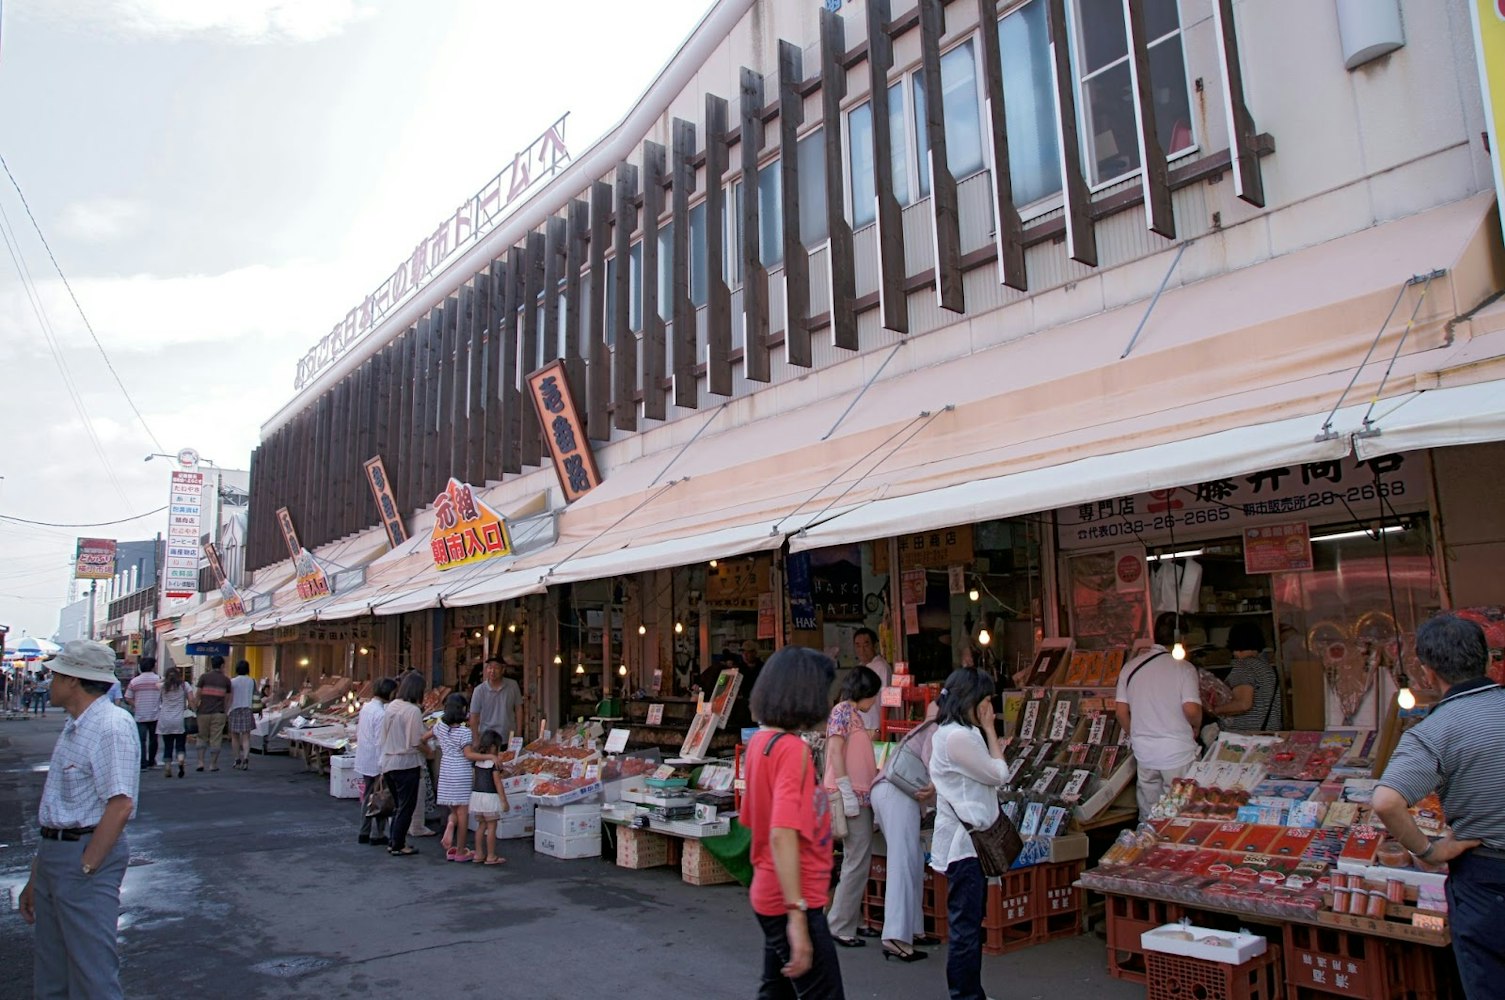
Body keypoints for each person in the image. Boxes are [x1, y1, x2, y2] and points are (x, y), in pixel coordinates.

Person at [1374, 613, 1505, 999]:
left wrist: (1428, 850)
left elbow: (1385, 800)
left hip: (1486, 878)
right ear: (1487, 662)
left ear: (1428, 674)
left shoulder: (1433, 730)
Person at [18, 640, 140, 1000]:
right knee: (53, 969)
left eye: (56, 674)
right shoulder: (76, 725)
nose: (50, 681)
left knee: (92, 973)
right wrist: (37, 874)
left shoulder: (110, 725)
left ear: (73, 680)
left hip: (84, 855)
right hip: (59, 853)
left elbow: (119, 805)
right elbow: (60, 810)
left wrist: (86, 866)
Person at [742, 646, 844, 999]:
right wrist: (797, 915)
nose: (827, 703)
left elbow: (756, 821)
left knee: (776, 993)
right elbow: (782, 833)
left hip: (773, 890)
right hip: (790, 897)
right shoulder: (790, 750)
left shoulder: (760, 743)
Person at [929, 667, 1009, 1000]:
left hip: (965, 843)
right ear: (971, 700)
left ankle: (970, 992)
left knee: (968, 925)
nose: (989, 707)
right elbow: (999, 773)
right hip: (967, 847)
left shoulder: (952, 733)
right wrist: (991, 731)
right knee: (966, 928)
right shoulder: (959, 737)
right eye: (986, 700)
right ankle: (965, 995)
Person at [868, 702, 941, 961]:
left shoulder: (925, 726)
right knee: (902, 863)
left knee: (911, 861)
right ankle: (895, 937)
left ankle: (913, 929)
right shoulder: (936, 728)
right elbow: (934, 767)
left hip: (892, 792)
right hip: (897, 794)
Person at [1115, 612, 1202, 816]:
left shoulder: (1130, 668)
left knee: (1150, 814)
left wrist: (1136, 735)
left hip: (1145, 753)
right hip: (1177, 752)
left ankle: (1146, 846)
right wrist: (1196, 725)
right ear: (1183, 638)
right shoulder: (1184, 668)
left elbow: (1120, 712)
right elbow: (1191, 709)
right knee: (1180, 813)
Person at [823, 665, 883, 949]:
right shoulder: (843, 712)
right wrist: (846, 790)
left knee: (857, 860)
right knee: (856, 860)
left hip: (860, 795)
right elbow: (835, 750)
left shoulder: (854, 716)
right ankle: (840, 924)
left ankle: (852, 919)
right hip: (851, 796)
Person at [380, 672, 429, 857]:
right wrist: (429, 752)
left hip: (388, 761)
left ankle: (394, 840)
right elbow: (415, 741)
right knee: (406, 806)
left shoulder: (392, 706)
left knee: (399, 805)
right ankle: (398, 844)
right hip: (406, 763)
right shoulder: (413, 710)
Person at [1213, 622, 1283, 733]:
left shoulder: (1244, 667)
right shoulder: (1266, 667)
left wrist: (1215, 710)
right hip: (1268, 733)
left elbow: (1243, 704)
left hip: (1247, 737)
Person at [433, 692, 478, 862]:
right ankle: (460, 850)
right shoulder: (464, 732)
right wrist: (488, 757)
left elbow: (422, 738)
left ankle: (451, 824)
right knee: (463, 812)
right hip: (461, 772)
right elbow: (468, 754)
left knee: (454, 808)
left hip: (446, 771)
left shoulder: (439, 728)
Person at [355, 677, 395, 845]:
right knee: (380, 797)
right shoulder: (381, 713)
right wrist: (383, 765)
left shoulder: (366, 708)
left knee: (370, 796)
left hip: (365, 757)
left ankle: (365, 831)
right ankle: (376, 834)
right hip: (375, 761)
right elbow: (381, 742)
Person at [469, 728, 510, 866]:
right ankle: (491, 856)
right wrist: (504, 801)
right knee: (492, 827)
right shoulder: (494, 763)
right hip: (490, 797)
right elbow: (497, 783)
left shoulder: (477, 761)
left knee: (481, 826)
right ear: (493, 747)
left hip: (477, 796)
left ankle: (479, 854)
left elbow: (475, 778)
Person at [468, 654, 523, 746]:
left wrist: (519, 732)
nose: (492, 671)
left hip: (508, 736)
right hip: (487, 739)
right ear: (486, 670)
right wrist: (476, 739)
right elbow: (474, 716)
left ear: (503, 670)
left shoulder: (512, 686)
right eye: (490, 667)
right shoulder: (479, 690)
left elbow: (518, 709)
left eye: (496, 668)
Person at [193, 655, 232, 772]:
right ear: (222, 666)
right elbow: (228, 698)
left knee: (202, 736)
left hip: (203, 712)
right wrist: (225, 711)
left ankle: (200, 762)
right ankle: (213, 764)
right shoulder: (226, 680)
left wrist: (195, 708)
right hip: (218, 713)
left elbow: (198, 694)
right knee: (216, 738)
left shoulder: (203, 677)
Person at [125, 656, 163, 770]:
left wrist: (135, 704)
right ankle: (152, 761)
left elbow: (128, 697)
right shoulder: (159, 679)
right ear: (153, 667)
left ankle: (142, 763)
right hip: (155, 713)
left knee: (141, 740)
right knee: (153, 739)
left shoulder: (134, 681)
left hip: (140, 714)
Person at [852, 628, 891, 732]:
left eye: (866, 644)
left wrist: (881, 730)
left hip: (875, 727)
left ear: (875, 646)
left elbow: (886, 701)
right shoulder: (859, 667)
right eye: (858, 645)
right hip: (860, 727)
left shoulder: (881, 667)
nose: (862, 650)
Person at [158, 666, 191, 778]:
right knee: (180, 744)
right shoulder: (184, 685)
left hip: (165, 719)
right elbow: (191, 700)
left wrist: (164, 679)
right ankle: (180, 760)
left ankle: (167, 767)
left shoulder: (162, 686)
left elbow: (156, 684)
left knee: (168, 745)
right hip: (179, 719)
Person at [227, 661, 257, 770]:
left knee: (235, 737)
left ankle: (237, 759)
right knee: (246, 736)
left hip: (235, 709)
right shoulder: (252, 681)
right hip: (247, 709)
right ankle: (246, 758)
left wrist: (226, 710)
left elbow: (230, 697)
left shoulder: (232, 681)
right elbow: (255, 696)